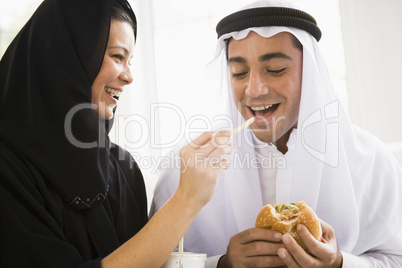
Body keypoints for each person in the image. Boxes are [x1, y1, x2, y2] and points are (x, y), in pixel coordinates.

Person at [151, 0, 402, 267]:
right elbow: (152, 261)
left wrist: (339, 263)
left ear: (310, 73)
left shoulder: (372, 162)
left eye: (275, 70)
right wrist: (223, 264)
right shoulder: (185, 172)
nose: (254, 90)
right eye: (239, 72)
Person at [0, 0, 232, 267]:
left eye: (130, 60)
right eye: (117, 56)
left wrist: (225, 263)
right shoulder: (8, 170)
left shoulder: (124, 169)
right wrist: (186, 200)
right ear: (66, 58)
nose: (129, 77)